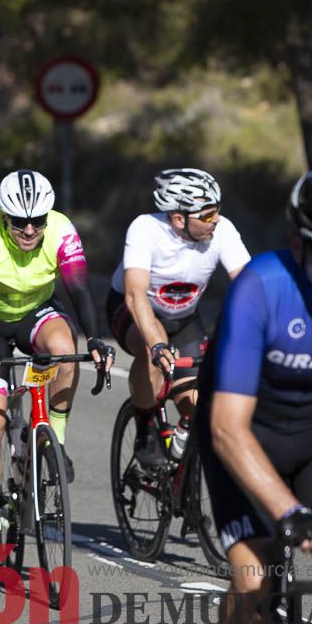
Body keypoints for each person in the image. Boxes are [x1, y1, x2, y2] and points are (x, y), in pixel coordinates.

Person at [198, 163, 312, 624]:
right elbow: (226, 429)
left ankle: (301, 611)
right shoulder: (261, 288)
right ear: (299, 245)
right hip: (247, 433)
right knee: (255, 577)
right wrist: (290, 513)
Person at [0, 169, 113, 565]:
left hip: (35, 312)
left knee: (64, 348)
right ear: (3, 216)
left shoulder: (61, 229)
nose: (29, 229)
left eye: (37, 221)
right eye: (19, 221)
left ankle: (53, 442)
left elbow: (78, 287)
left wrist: (96, 339)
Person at [107, 168, 250, 471]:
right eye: (208, 214)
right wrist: (158, 345)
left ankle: (185, 487)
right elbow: (134, 294)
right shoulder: (146, 229)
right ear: (177, 218)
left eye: (217, 211)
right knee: (150, 349)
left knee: (196, 406)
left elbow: (251, 288)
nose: (217, 219)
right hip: (133, 310)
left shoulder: (221, 231)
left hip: (184, 318)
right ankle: (146, 430)